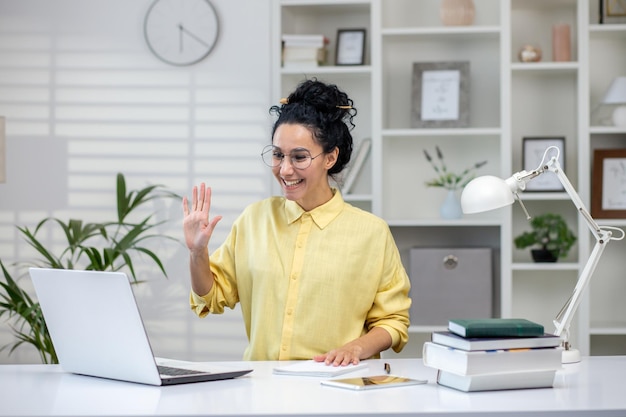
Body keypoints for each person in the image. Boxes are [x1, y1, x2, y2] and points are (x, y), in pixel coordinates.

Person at [182, 79, 411, 366]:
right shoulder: (254, 219)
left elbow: (393, 322)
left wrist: (355, 348)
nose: (285, 169)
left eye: (300, 157)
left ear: (331, 157)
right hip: (264, 386)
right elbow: (212, 297)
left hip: (337, 385)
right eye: (278, 155)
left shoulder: (371, 232)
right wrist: (196, 253)